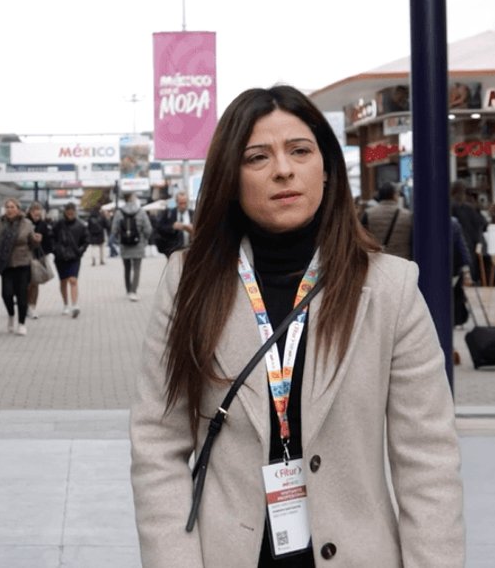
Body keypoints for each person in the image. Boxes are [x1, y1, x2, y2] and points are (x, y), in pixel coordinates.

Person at [130, 85, 463, 567]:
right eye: (257, 157)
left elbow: (428, 462)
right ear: (231, 177)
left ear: (326, 168)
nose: (283, 169)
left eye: (300, 151)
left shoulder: (390, 288)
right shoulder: (189, 282)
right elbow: (157, 445)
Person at [0, 198, 36, 335]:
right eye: (7, 207)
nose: (9, 209)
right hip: (5, 263)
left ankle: (21, 323)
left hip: (22, 263)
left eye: (12, 207)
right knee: (6, 294)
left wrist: (37, 240)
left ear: (18, 209)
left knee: (22, 294)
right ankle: (11, 315)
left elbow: (32, 244)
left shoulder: (26, 224)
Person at [111, 193, 153, 301]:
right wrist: (145, 240)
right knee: (137, 269)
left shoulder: (119, 213)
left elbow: (114, 230)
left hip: (124, 244)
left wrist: (119, 240)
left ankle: (128, 290)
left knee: (127, 268)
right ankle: (134, 292)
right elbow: (148, 229)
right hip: (138, 244)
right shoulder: (141, 211)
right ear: (133, 199)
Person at [51, 203, 88, 318]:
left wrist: (80, 251)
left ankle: (75, 305)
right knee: (63, 281)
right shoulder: (58, 224)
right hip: (60, 257)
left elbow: (86, 240)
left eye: (72, 212)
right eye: (68, 212)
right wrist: (55, 249)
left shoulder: (81, 226)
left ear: (75, 212)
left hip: (74, 257)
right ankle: (65, 304)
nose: (70, 214)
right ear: (65, 212)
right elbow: (51, 237)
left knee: (73, 280)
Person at [362, 182, 413, 260]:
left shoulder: (368, 214)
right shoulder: (408, 216)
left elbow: (363, 240)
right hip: (402, 262)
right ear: (394, 196)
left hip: (378, 262)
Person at [26, 200, 53, 319]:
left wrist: (45, 249)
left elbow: (48, 242)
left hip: (38, 257)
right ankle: (25, 306)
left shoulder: (43, 225)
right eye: (35, 213)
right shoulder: (24, 223)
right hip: (25, 257)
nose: (37, 215)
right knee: (25, 284)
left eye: (39, 213)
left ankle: (32, 307)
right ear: (30, 212)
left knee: (35, 283)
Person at [155, 191, 195, 258]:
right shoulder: (169, 214)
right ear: (176, 202)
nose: (183, 206)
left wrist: (192, 229)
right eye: (180, 203)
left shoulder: (193, 214)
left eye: (185, 203)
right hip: (174, 250)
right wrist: (172, 227)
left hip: (190, 249)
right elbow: (159, 228)